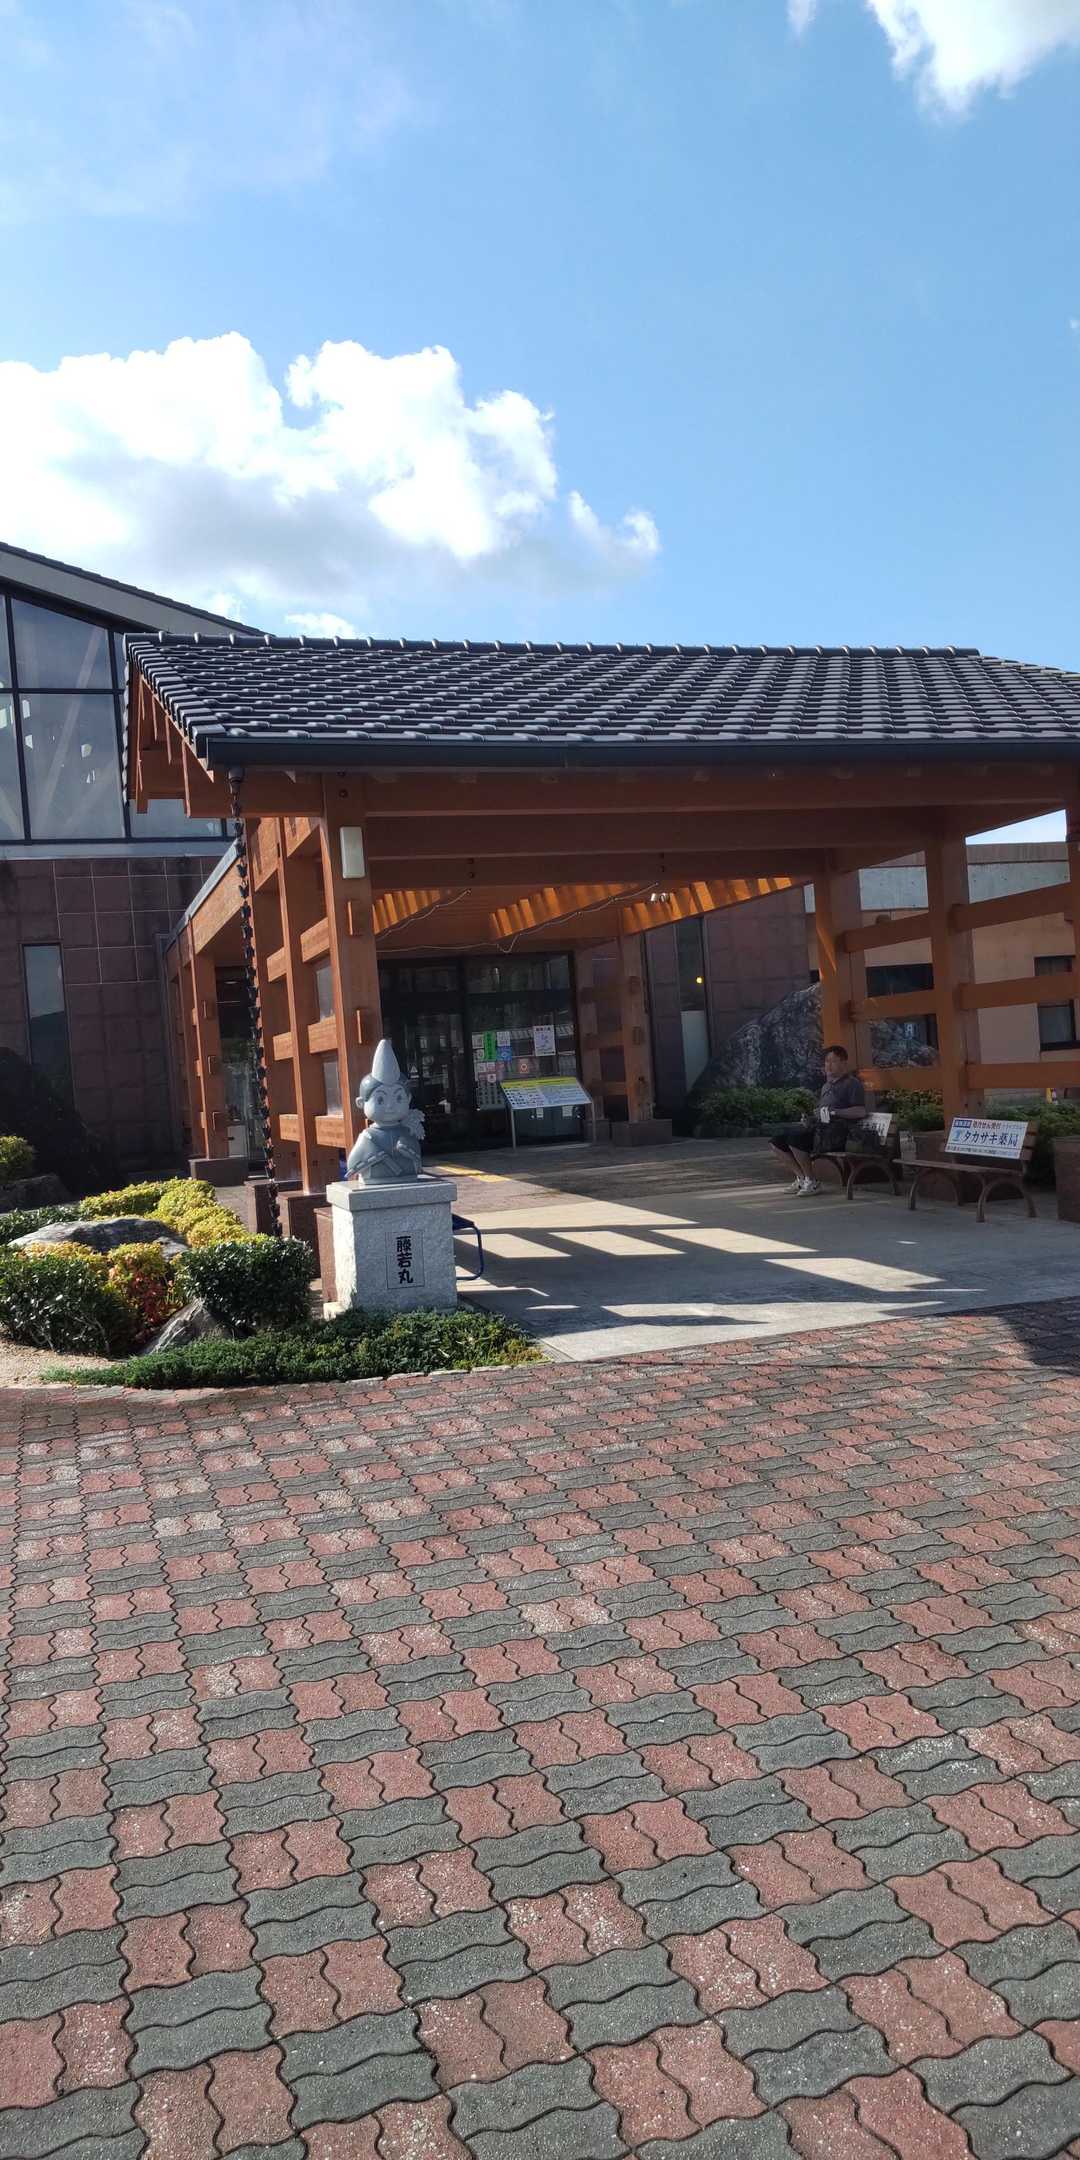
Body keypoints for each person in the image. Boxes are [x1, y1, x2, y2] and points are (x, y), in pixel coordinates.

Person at [770, 1044, 867, 1196]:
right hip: (821, 1130)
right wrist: (810, 1119)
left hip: (838, 1134)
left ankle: (812, 1181)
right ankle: (802, 1178)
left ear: (844, 1063)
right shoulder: (826, 1086)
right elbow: (823, 1113)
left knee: (796, 1139)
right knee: (776, 1141)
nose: (828, 1065)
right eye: (826, 1061)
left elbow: (860, 1111)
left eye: (833, 1061)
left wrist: (835, 1112)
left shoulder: (852, 1084)